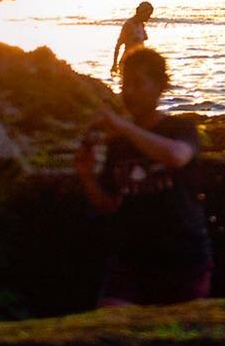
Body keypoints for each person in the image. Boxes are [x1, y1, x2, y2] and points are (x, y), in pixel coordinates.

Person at [75, 46, 212, 307]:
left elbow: (176, 156)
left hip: (183, 257)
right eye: (126, 84)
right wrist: (87, 177)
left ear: (160, 86)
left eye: (138, 84)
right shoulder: (118, 144)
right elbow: (108, 206)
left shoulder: (180, 129)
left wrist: (124, 127)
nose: (129, 92)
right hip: (132, 260)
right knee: (112, 323)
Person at [111, 1, 154, 76]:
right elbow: (118, 45)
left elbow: (144, 40)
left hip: (139, 63)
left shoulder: (141, 25)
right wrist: (114, 64)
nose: (149, 17)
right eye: (148, 15)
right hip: (127, 62)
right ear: (142, 13)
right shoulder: (128, 25)